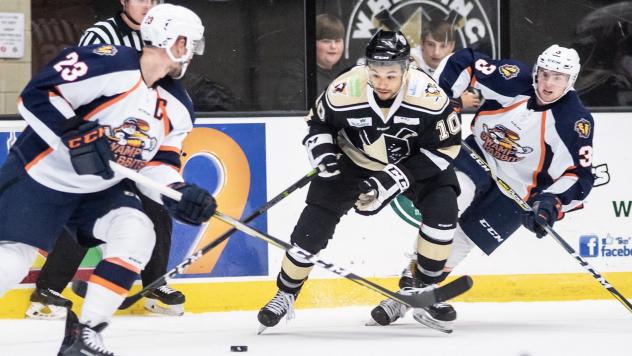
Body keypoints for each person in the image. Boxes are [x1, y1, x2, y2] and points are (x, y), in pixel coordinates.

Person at [0, 4, 213, 355]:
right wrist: (73, 131)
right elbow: (37, 95)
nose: (192, 52)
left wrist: (178, 192)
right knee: (11, 262)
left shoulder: (178, 106)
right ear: (169, 40)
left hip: (97, 189)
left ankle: (85, 336)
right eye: (188, 42)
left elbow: (157, 165)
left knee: (137, 232)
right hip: (40, 177)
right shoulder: (108, 61)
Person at [368, 44, 594, 333]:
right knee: (452, 203)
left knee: (462, 240)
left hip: (519, 189)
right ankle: (412, 282)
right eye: (545, 74)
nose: (549, 83)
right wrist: (442, 100)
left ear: (571, 80)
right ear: (536, 71)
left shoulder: (574, 120)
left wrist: (550, 203)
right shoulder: (514, 79)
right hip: (477, 157)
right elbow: (467, 61)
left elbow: (579, 175)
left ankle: (415, 292)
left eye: (559, 78)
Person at [256, 29, 462, 332]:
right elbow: (319, 123)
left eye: (391, 75)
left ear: (406, 69)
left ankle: (424, 290)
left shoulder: (430, 97)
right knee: (311, 229)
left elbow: (445, 148)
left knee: (444, 211)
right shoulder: (344, 88)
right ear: (368, 67)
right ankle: (285, 294)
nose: (382, 83)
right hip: (353, 160)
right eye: (376, 74)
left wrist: (393, 178)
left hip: (412, 164)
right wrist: (323, 152)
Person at [25, 0, 188, 321]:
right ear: (123, 1)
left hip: (137, 143)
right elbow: (82, 92)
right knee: (85, 211)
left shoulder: (170, 37)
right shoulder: (102, 34)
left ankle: (154, 284)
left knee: (158, 207)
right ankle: (49, 289)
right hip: (94, 144)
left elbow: (164, 88)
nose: (148, 4)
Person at [276, 13, 348, 109]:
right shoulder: (295, 72)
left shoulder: (350, 71)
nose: (333, 46)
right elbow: (291, 109)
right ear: (312, 43)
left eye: (338, 41)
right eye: (326, 41)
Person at [411, 19, 481, 111]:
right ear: (422, 43)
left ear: (452, 46)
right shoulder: (409, 61)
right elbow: (414, 101)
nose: (436, 52)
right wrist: (458, 102)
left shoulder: (460, 64)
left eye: (443, 46)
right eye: (431, 44)